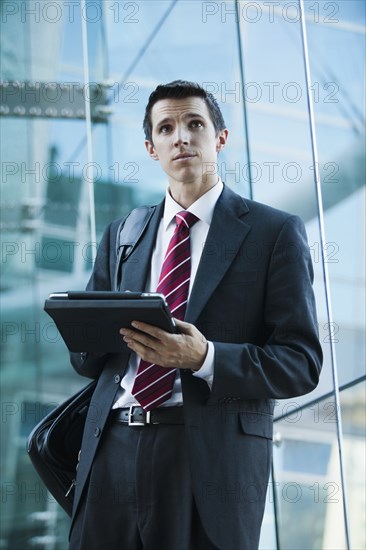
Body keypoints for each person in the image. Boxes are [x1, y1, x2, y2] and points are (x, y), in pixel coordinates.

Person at [68, 80, 322, 550]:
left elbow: (300, 364)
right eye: (166, 128)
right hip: (112, 453)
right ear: (151, 148)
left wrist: (204, 356)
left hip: (206, 462)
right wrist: (82, 328)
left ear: (219, 138)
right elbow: (86, 361)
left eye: (194, 124)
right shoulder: (124, 233)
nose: (180, 137)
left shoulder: (273, 233)